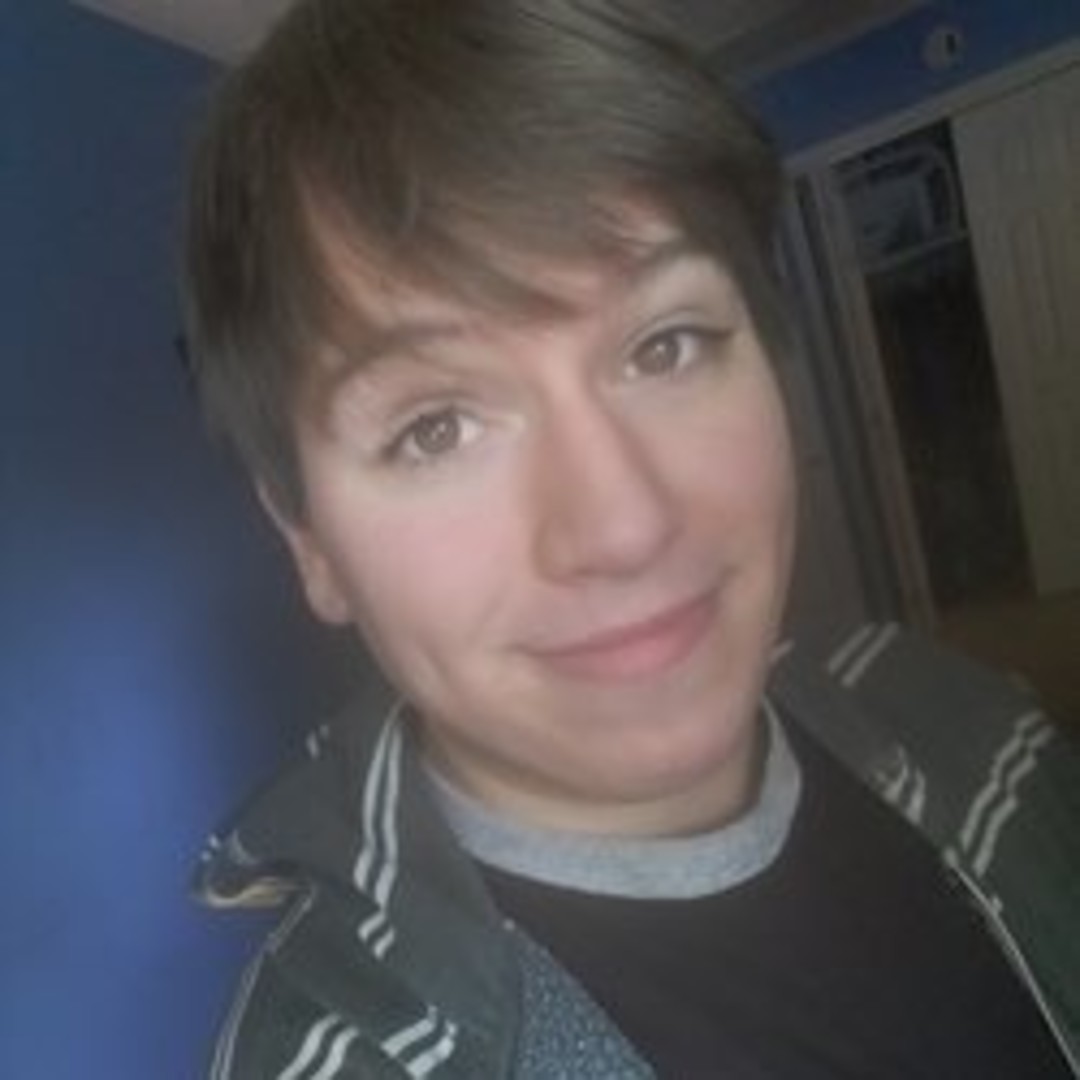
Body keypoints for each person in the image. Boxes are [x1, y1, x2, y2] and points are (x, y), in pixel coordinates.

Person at [184, 1, 1080, 1076]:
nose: (623, 526)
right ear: (312, 543)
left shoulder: (955, 715)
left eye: (666, 344)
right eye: (436, 427)